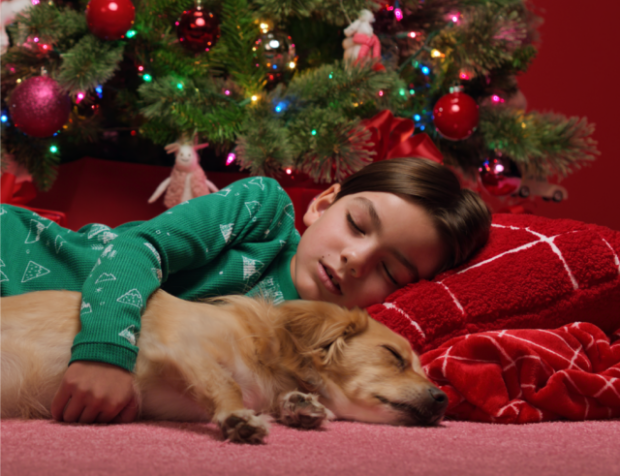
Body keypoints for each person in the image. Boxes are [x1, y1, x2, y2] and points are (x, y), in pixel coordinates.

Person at [0, 157, 491, 425]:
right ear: (322, 204)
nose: (356, 259)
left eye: (390, 269)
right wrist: (105, 352)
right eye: (358, 225)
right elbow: (140, 247)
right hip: (25, 257)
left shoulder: (316, 344)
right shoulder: (265, 210)